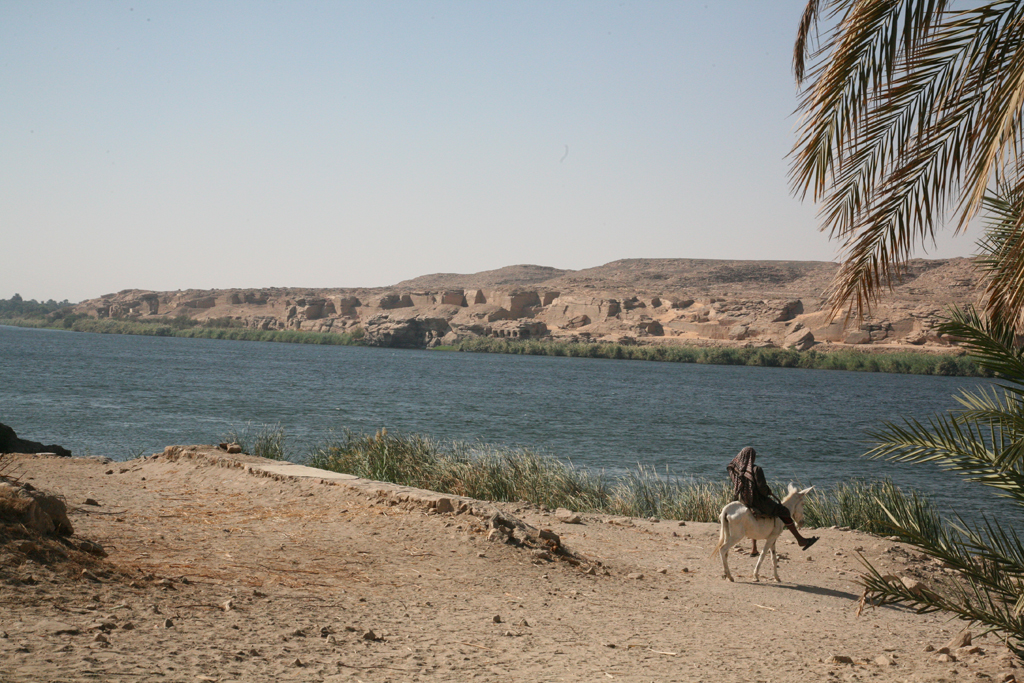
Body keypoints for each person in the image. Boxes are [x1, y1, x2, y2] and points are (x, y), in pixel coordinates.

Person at [727, 447, 818, 553]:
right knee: (784, 511)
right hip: (758, 501)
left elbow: (732, 470)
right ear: (752, 457)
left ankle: (754, 548)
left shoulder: (737, 471)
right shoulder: (756, 469)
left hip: (744, 501)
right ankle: (800, 540)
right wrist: (768, 491)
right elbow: (762, 489)